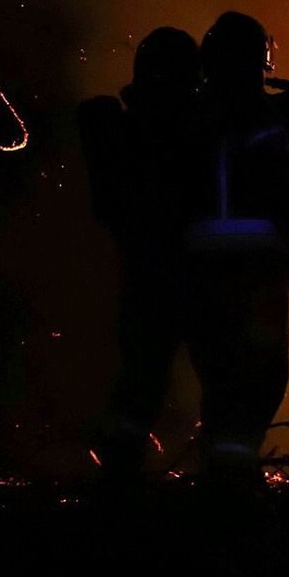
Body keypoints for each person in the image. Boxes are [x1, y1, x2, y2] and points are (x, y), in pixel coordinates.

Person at [184, 12, 289, 491]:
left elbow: (232, 138)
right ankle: (235, 477)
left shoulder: (191, 112)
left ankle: (218, 471)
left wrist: (285, 110)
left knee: (218, 373)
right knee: (263, 375)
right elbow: (278, 185)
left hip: (199, 264)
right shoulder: (259, 118)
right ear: (256, 60)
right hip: (254, 267)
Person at [79, 26, 204, 488]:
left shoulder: (129, 125)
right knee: (195, 376)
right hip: (176, 269)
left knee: (143, 377)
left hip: (146, 273)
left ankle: (117, 472)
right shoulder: (161, 127)